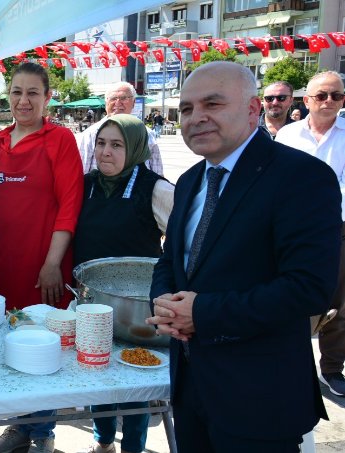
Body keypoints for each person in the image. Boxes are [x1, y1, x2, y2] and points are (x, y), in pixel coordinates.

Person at [146, 61, 340, 452]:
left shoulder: (302, 177)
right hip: (191, 386)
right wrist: (164, 300)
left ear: (253, 109)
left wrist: (202, 313)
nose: (195, 118)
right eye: (186, 109)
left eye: (212, 104)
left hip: (259, 397)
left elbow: (309, 289)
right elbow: (172, 259)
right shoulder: (189, 180)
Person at [0, 62, 83, 453]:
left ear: (47, 98)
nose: (23, 101)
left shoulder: (59, 140)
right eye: (16, 92)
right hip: (2, 263)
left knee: (45, 345)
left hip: (46, 262)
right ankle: (18, 424)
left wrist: (52, 263)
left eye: (32, 93)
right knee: (10, 343)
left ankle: (42, 431)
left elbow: (69, 206)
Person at [74, 114, 174, 453]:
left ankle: (133, 446)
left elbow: (185, 241)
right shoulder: (85, 185)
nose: (106, 153)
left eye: (117, 145)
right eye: (101, 143)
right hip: (93, 301)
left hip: (138, 307)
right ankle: (103, 441)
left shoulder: (155, 188)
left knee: (136, 383)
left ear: (134, 149)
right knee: (99, 374)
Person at [276, 70, 345, 397]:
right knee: (292, 298)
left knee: (339, 306)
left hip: (338, 230)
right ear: (307, 101)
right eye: (322, 95)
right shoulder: (288, 136)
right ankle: (292, 362)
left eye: (337, 95)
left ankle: (331, 369)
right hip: (292, 231)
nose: (329, 101)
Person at [76, 82, 164, 175]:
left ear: (133, 103)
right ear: (106, 103)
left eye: (123, 98)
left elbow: (157, 173)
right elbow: (81, 172)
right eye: (113, 98)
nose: (117, 103)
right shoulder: (91, 134)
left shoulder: (147, 134)